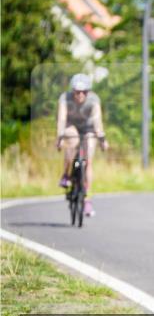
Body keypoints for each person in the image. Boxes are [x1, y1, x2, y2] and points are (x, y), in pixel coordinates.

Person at [56, 74, 108, 217]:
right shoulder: (65, 98)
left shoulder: (94, 100)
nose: (80, 95)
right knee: (71, 141)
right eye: (77, 92)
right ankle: (66, 175)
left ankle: (87, 199)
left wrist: (102, 138)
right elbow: (61, 118)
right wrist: (60, 137)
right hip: (71, 126)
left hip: (88, 128)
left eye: (83, 92)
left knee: (89, 160)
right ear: (72, 91)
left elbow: (98, 121)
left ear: (88, 92)